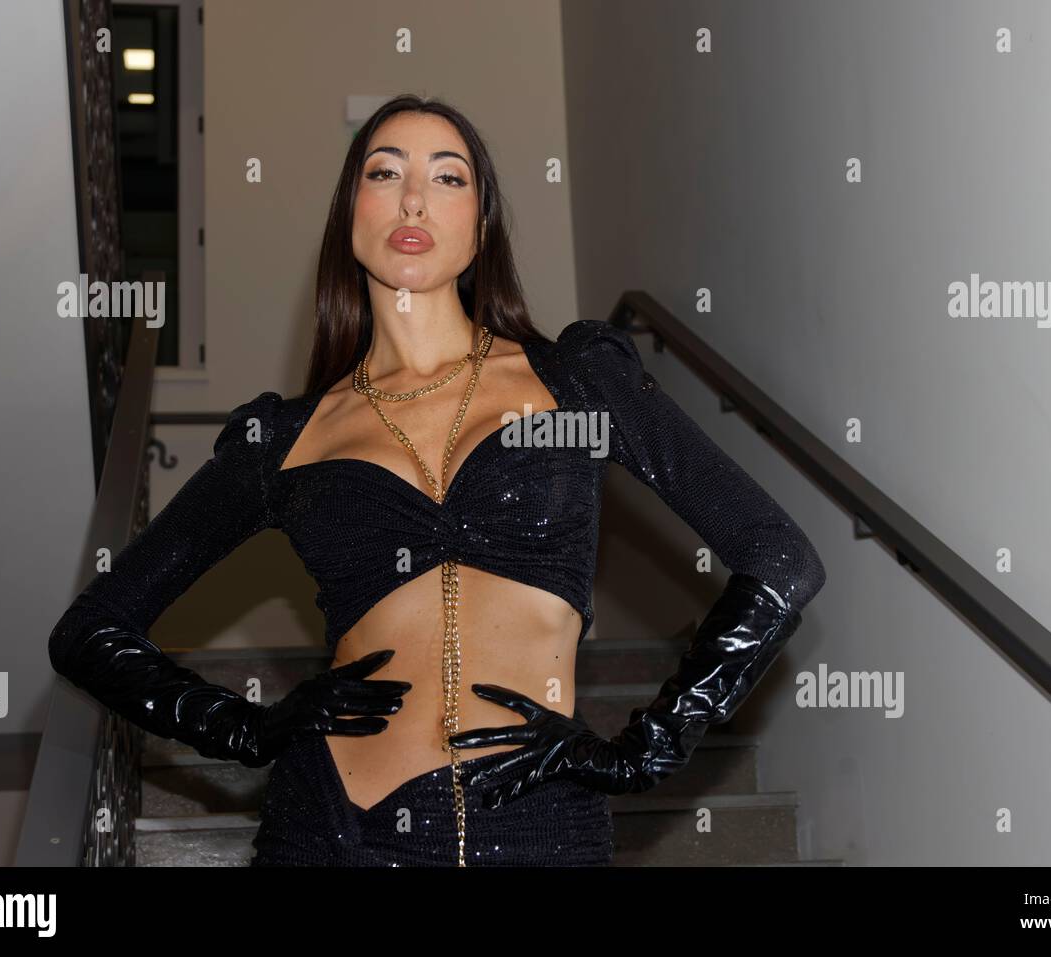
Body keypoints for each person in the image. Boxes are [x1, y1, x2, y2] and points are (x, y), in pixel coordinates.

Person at [47, 94, 827, 867]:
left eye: (448, 178)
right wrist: (248, 729)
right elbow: (90, 631)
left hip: (540, 829)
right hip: (330, 833)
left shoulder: (578, 380)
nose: (413, 197)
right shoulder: (281, 438)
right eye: (384, 173)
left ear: (481, 227)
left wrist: (645, 749)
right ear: (350, 215)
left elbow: (780, 558)